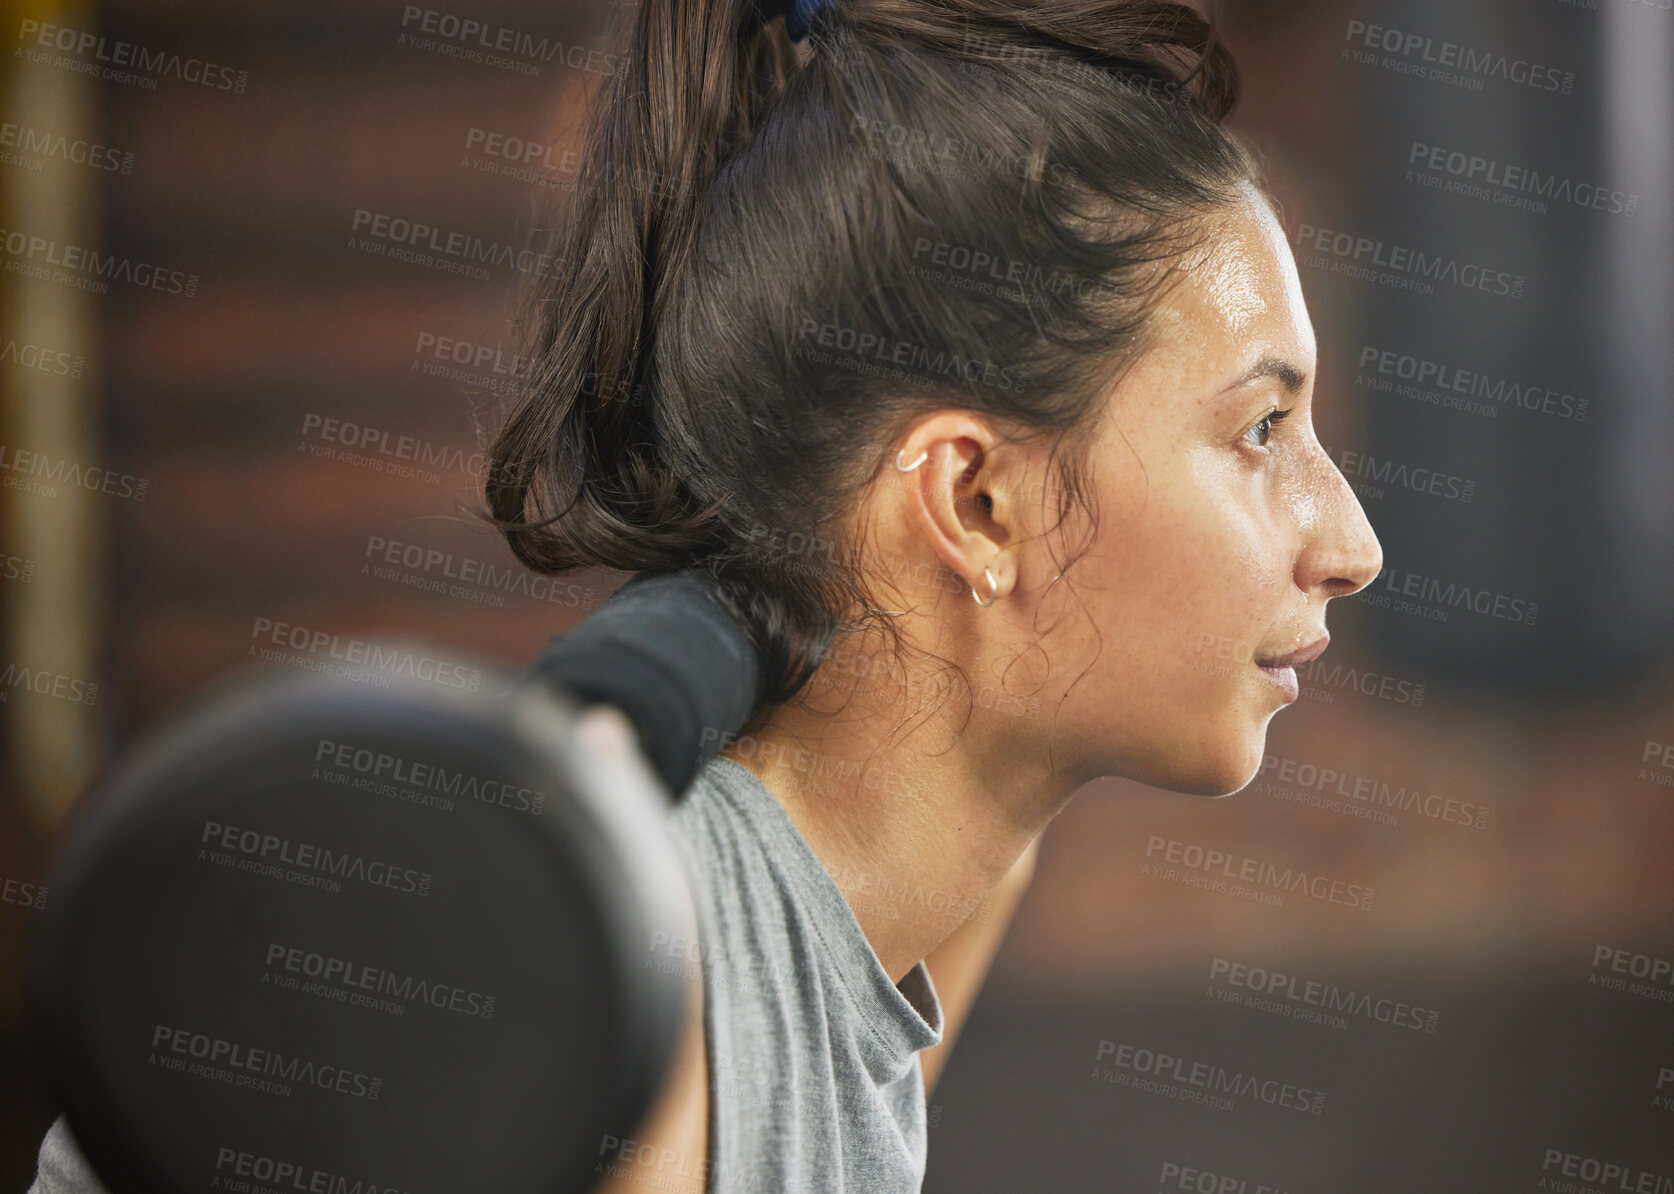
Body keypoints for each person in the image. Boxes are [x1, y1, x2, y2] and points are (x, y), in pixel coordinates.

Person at [481, 0, 1383, 1190]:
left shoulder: (952, 866)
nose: (1353, 546)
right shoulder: (670, 995)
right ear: (975, 503)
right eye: (1261, 427)